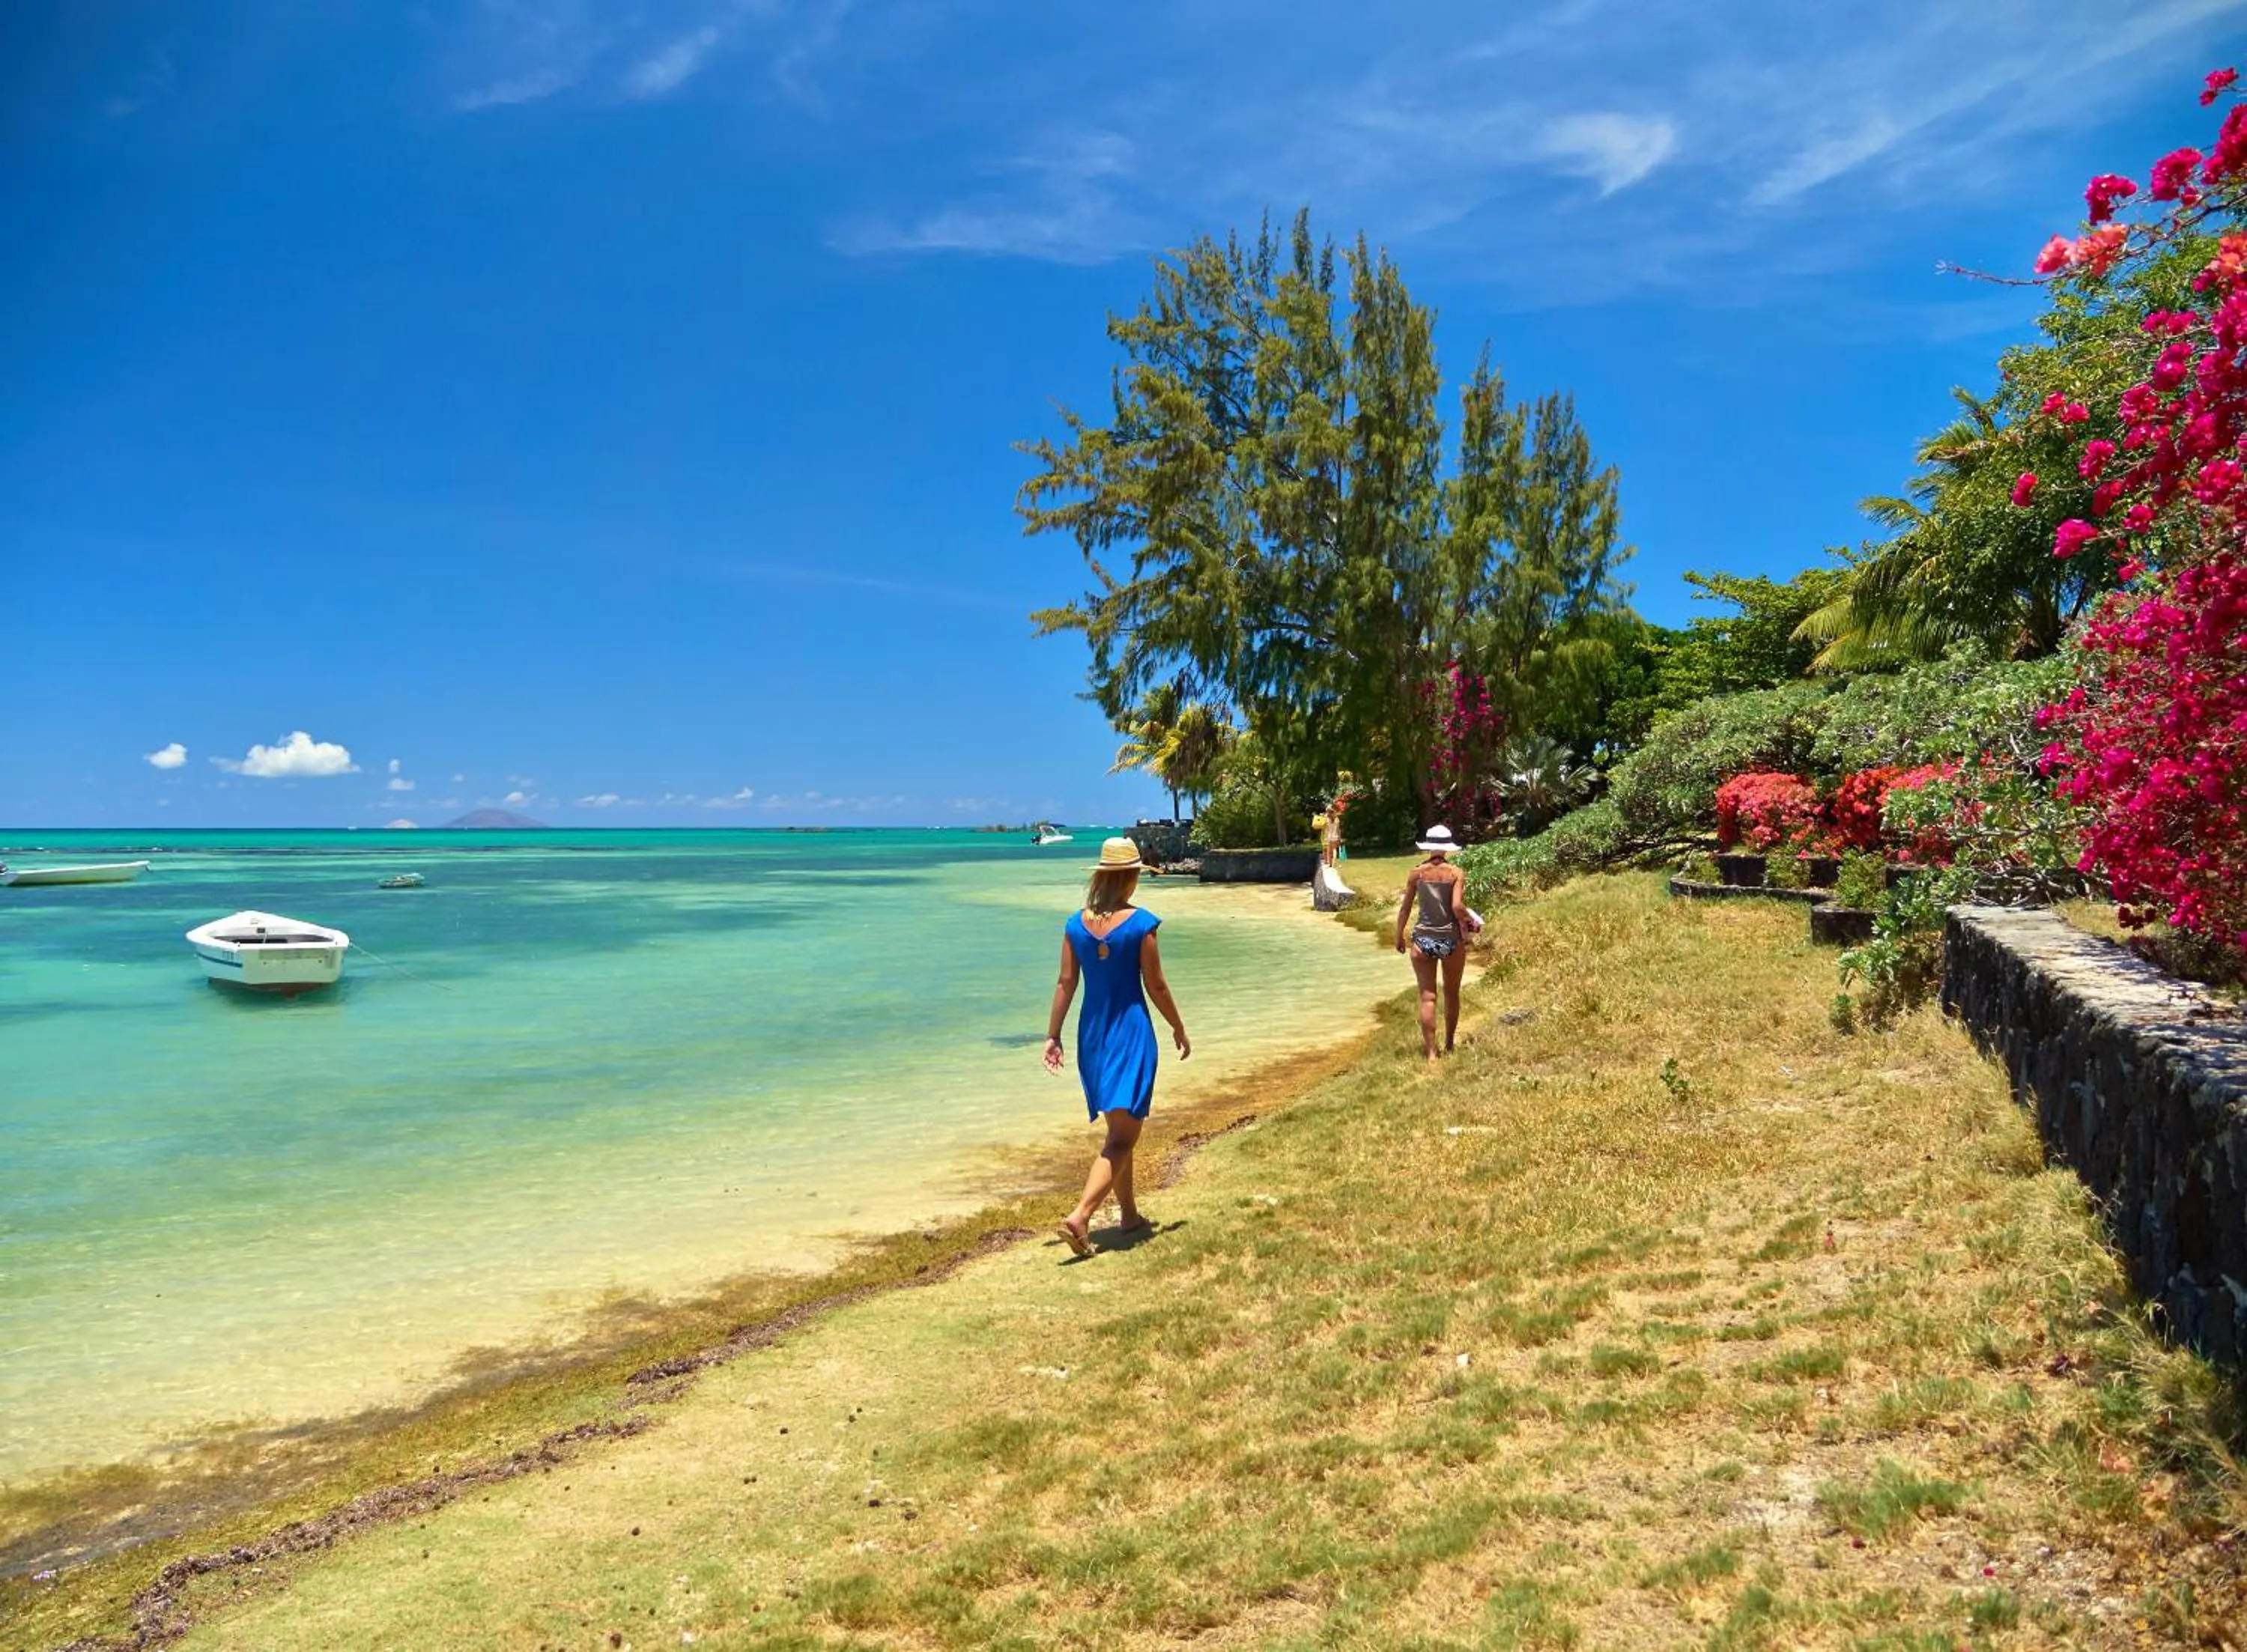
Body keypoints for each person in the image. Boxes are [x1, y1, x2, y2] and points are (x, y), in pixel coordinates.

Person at [1043, 836, 1191, 1257]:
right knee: (1124, 1138)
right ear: (1130, 877)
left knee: (1118, 1131)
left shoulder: (1075, 925)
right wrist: (1178, 1027)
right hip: (1130, 1032)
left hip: (1092, 1035)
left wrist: (1052, 1035)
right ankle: (1080, 1217)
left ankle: (1128, 1215)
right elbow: (1156, 984)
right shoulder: (1142, 924)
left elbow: (1065, 984)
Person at [1396, 824, 1473, 1060]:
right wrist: (1470, 920)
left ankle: (1431, 1053)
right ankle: (1449, 1044)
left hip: (1422, 940)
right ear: (1447, 848)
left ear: (1429, 847)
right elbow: (1457, 907)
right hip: (1450, 940)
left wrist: (1399, 934)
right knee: (1452, 993)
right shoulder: (1455, 873)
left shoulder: (1417, 873)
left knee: (1428, 997)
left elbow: (1406, 907)